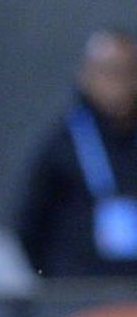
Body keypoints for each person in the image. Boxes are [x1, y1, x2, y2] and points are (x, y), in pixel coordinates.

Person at [15, 28, 137, 278]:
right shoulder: (64, 142)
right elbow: (29, 224)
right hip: (79, 286)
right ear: (86, 76)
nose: (117, 84)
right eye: (107, 71)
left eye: (125, 72)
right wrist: (55, 279)